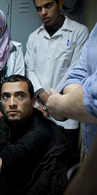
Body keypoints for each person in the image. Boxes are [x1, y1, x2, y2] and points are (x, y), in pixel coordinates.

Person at [25, 0, 89, 161]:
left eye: (48, 6)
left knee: (63, 165)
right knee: (39, 164)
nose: (43, 13)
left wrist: (50, 103)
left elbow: (75, 72)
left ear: (60, 4)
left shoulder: (79, 32)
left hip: (66, 116)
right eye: (38, 9)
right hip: (39, 112)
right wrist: (44, 99)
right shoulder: (34, 37)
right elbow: (29, 71)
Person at [46, 22, 97, 155]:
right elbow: (76, 74)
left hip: (62, 106)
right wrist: (69, 99)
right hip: (91, 153)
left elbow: (93, 98)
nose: (43, 12)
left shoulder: (80, 31)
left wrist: (58, 103)